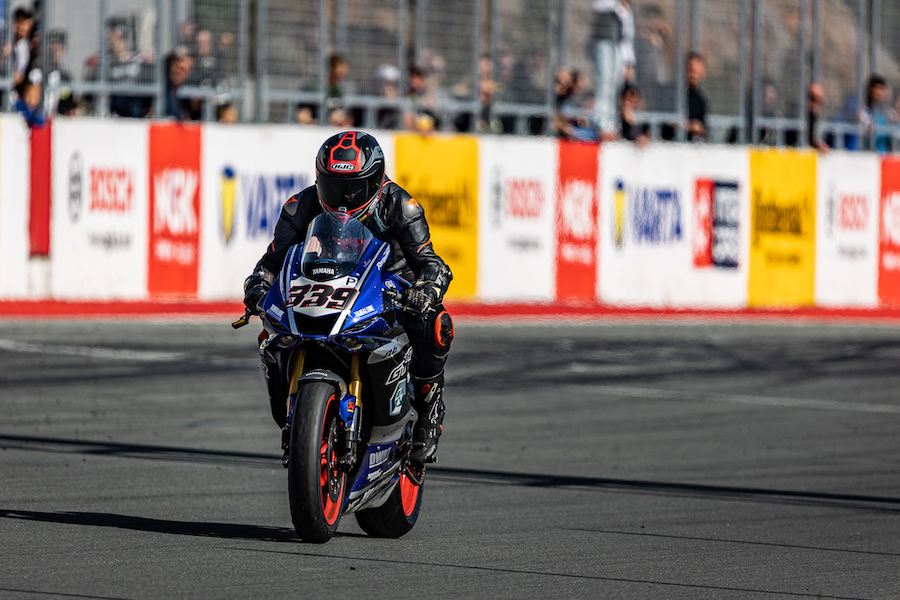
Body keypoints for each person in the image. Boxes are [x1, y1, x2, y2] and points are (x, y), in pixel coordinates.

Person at [242, 131, 454, 465]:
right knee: (272, 327)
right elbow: (273, 260)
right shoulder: (301, 206)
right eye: (334, 186)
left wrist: (426, 289)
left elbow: (431, 263)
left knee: (434, 322)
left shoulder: (401, 206)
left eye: (354, 188)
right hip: (324, 284)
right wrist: (258, 283)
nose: (344, 198)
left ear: (376, 181)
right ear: (318, 179)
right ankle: (293, 409)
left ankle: (429, 410)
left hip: (389, 289)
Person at [164, 47, 193, 120]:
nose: (178, 72)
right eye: (176, 66)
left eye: (183, 69)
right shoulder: (163, 85)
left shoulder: (191, 88)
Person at [686, 52, 707, 141]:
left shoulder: (700, 99)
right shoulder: (675, 95)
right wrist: (689, 126)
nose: (693, 74)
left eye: (696, 71)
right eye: (691, 70)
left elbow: (702, 127)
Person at [807, 82, 829, 153]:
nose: (815, 104)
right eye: (813, 99)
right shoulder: (799, 117)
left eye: (819, 101)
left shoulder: (816, 117)